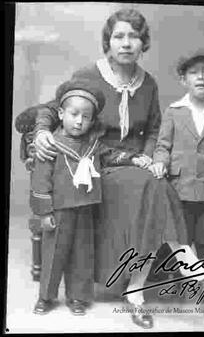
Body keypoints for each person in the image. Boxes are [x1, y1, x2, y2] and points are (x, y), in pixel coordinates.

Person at [16, 9, 204, 328]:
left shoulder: (148, 84)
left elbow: (153, 129)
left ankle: (138, 289)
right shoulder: (87, 75)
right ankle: (185, 263)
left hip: (137, 166)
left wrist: (152, 157)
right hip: (93, 165)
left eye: (134, 36)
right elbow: (52, 110)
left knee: (153, 183)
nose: (126, 43)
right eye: (119, 36)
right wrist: (40, 131)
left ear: (143, 43)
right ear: (108, 42)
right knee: (153, 187)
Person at [30, 79, 139, 316]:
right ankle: (46, 297)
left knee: (82, 254)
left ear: (92, 121)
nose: (79, 121)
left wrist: (133, 158)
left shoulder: (93, 144)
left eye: (86, 117)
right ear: (60, 113)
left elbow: (111, 155)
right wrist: (45, 212)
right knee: (54, 253)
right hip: (59, 210)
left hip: (86, 208)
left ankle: (77, 297)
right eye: (74, 114)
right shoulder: (52, 145)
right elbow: (40, 181)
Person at [150, 49, 204, 318]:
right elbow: (162, 145)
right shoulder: (174, 111)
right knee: (179, 240)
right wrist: (159, 161)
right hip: (178, 187)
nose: (200, 77)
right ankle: (180, 283)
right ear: (183, 80)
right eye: (193, 72)